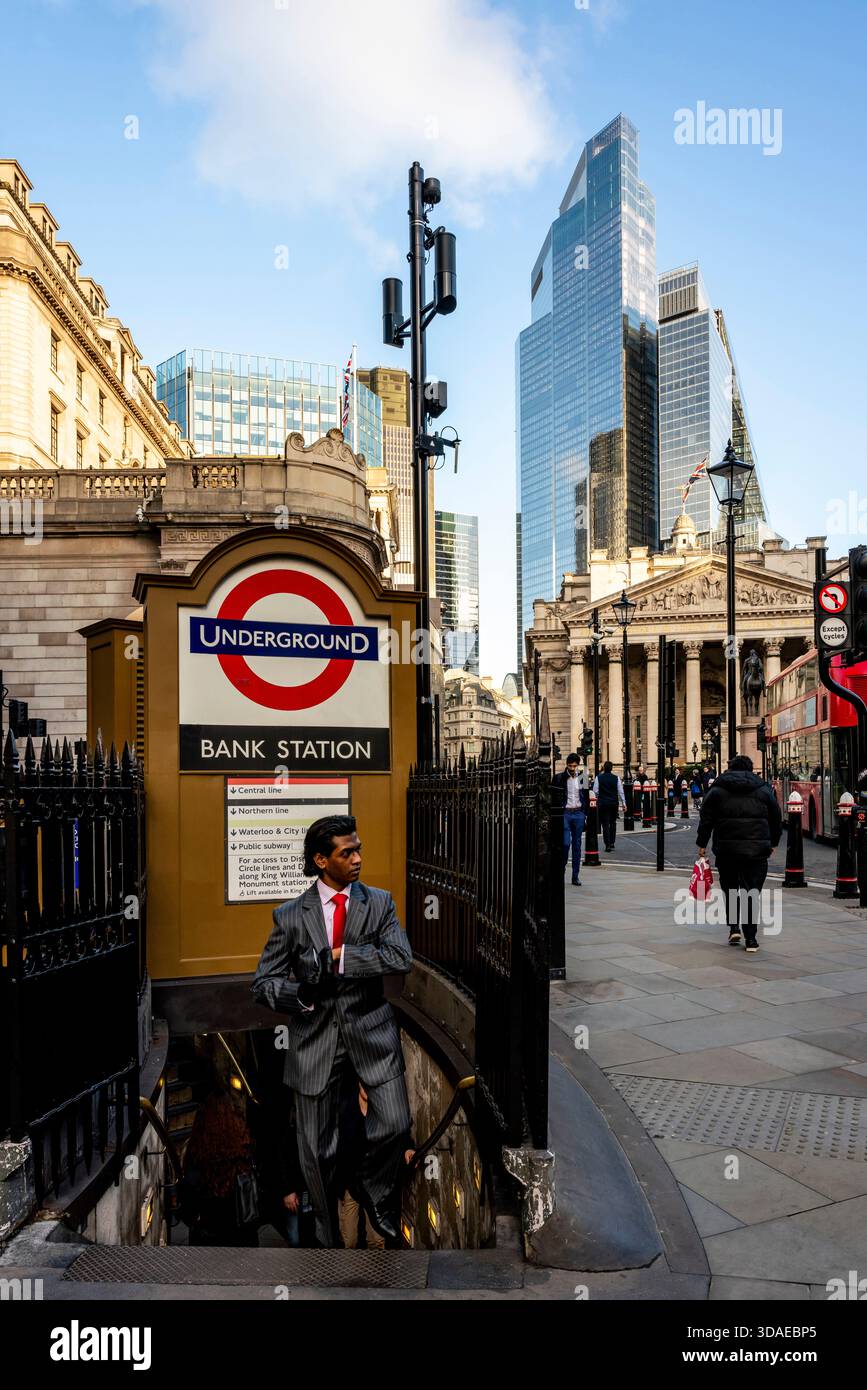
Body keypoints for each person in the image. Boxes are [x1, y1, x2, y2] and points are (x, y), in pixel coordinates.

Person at [251, 814, 413, 1247]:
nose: (358, 858)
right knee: (316, 1158)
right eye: (348, 852)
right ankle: (325, 1242)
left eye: (359, 849)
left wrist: (342, 957)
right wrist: (300, 993)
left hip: (372, 1035)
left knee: (396, 1124)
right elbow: (262, 983)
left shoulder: (379, 903)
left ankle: (372, 1189)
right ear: (322, 860)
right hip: (313, 1043)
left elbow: (400, 957)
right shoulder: (289, 916)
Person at [696, 753, 782, 953]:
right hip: (757, 850)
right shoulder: (763, 789)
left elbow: (706, 818)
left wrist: (702, 843)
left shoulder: (717, 789)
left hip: (726, 850)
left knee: (731, 889)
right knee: (751, 892)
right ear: (750, 769)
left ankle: (734, 928)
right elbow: (775, 817)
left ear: (730, 768)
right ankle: (751, 939)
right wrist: (773, 841)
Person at [335, 1075, 416, 1249]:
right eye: (364, 1086)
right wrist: (340, 1187)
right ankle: (350, 1275)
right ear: (358, 1084)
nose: (367, 1090)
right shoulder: (345, 1107)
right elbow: (339, 1148)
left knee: (377, 1241)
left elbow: (398, 1133)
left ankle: (375, 1275)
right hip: (352, 1182)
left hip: (374, 1184)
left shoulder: (381, 1110)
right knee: (349, 1239)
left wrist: (408, 1148)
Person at [179, 1089, 260, 1247]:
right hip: (243, 1240)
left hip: (208, 1241)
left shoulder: (197, 1153)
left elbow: (187, 1207)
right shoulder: (244, 1150)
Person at [554, 753, 588, 885]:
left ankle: (575, 876)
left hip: (579, 813)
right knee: (565, 844)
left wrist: (585, 815)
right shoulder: (560, 778)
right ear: (566, 765)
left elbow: (586, 795)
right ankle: (561, 869)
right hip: (566, 814)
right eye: (570, 766)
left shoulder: (583, 777)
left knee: (577, 846)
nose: (573, 768)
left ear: (578, 765)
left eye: (575, 766)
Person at [592, 760, 627, 852]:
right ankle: (612, 842)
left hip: (603, 803)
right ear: (611, 768)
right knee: (613, 822)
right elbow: (620, 791)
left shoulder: (598, 778)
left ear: (603, 768)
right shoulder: (616, 778)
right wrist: (624, 803)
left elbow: (595, 791)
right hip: (613, 803)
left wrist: (600, 795)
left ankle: (607, 844)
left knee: (605, 824)